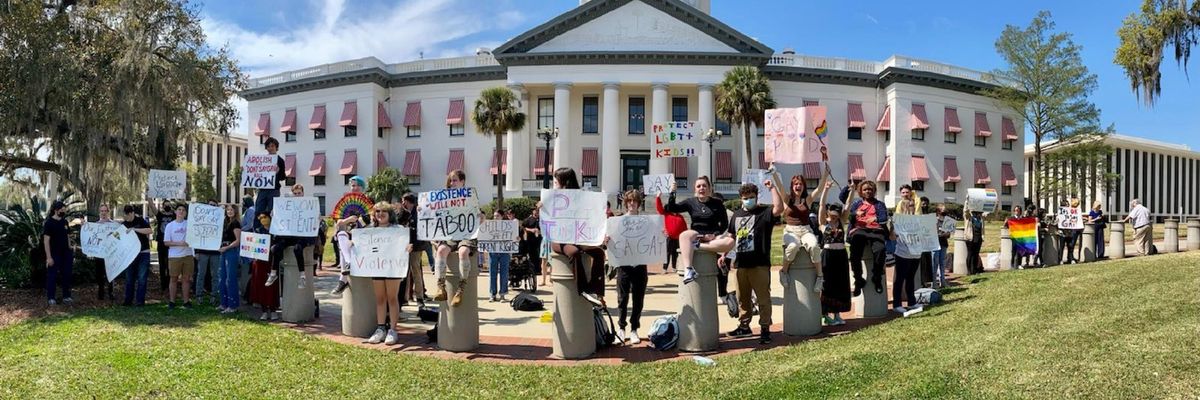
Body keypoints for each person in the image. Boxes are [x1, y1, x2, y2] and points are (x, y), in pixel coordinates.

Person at [726, 177, 784, 344]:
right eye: (745, 197)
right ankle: (744, 326)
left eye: (751, 196)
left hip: (759, 263)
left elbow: (779, 208)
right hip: (740, 264)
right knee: (742, 298)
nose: (748, 199)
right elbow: (731, 237)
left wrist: (772, 188)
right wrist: (724, 255)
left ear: (757, 197)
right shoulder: (736, 215)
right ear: (740, 198)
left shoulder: (764, 213)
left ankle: (765, 328)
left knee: (763, 298)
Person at [546, 168, 609, 306]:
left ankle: (596, 290)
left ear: (564, 183)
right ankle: (584, 289)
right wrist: (542, 206)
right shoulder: (553, 199)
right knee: (574, 252)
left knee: (598, 253)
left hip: (577, 238)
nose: (554, 185)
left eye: (556, 182)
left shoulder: (580, 198)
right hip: (559, 240)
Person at [663, 176, 736, 285]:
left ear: (709, 188)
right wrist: (673, 192)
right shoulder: (690, 202)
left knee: (730, 242)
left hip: (713, 236)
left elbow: (724, 224)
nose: (701, 188)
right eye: (699, 186)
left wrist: (715, 234)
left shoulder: (717, 203)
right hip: (696, 233)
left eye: (704, 186)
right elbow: (672, 208)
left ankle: (697, 245)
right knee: (684, 235)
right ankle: (689, 269)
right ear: (695, 189)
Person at [608, 189, 655, 345]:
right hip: (623, 264)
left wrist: (662, 233)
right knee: (622, 298)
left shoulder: (646, 222)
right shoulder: (618, 221)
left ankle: (634, 328)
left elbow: (654, 238)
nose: (632, 204)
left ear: (639, 203)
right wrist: (607, 239)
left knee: (638, 298)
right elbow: (611, 239)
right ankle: (621, 328)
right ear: (625, 203)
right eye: (629, 201)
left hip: (640, 264)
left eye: (634, 201)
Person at [431, 170, 478, 308]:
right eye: (450, 181)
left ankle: (460, 289)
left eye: (455, 180)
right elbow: (436, 213)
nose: (452, 183)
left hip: (466, 234)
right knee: (440, 251)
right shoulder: (444, 199)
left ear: (463, 181)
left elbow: (477, 212)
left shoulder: (471, 196)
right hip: (451, 233)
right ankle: (441, 287)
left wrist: (480, 216)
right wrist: (423, 211)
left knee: (463, 252)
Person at [361, 202, 405, 345]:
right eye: (377, 211)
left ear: (389, 213)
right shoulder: (370, 230)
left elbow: (405, 243)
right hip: (377, 267)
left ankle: (392, 330)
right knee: (380, 298)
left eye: (383, 211)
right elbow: (361, 243)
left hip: (393, 268)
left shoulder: (398, 229)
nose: (380, 214)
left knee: (392, 298)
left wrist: (408, 247)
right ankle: (380, 329)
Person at [839, 180, 890, 295]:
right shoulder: (857, 203)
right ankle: (858, 279)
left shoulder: (879, 204)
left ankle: (877, 277)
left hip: (876, 230)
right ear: (861, 191)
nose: (868, 191)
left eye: (870, 189)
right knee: (854, 253)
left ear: (874, 191)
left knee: (880, 250)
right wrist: (855, 213)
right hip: (859, 230)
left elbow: (883, 218)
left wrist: (875, 219)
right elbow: (843, 199)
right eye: (865, 189)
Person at [266, 184, 315, 290]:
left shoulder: (309, 205)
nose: (297, 195)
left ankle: (302, 276)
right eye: (295, 193)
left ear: (303, 193)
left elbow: (313, 219)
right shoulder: (286, 205)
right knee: (275, 248)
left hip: (303, 236)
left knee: (298, 249)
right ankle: (273, 273)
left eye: (299, 193)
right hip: (289, 236)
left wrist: (317, 217)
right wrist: (274, 215)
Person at [330, 176, 368, 295]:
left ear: (362, 187)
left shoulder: (368, 201)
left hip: (363, 236)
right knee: (341, 234)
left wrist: (355, 221)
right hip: (347, 235)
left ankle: (343, 279)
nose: (354, 188)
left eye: (357, 185)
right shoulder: (344, 200)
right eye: (352, 185)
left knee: (343, 247)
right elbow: (338, 221)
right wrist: (347, 220)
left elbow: (370, 220)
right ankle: (347, 263)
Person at [820, 200, 850, 325]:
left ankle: (837, 313)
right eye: (832, 213)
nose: (834, 215)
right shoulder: (823, 223)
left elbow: (847, 206)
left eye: (836, 213)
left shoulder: (841, 222)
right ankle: (825, 315)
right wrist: (825, 190)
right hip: (828, 255)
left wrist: (852, 191)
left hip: (841, 255)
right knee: (827, 284)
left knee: (841, 284)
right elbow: (821, 205)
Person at [891, 191, 921, 314]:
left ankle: (911, 302)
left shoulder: (918, 220)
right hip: (903, 253)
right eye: (910, 206)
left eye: (913, 206)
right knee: (899, 279)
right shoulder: (898, 220)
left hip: (916, 253)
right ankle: (897, 303)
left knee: (910, 278)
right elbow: (892, 237)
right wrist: (895, 228)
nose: (913, 208)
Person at [248, 214, 280, 320]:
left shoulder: (276, 230)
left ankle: (273, 309)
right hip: (260, 262)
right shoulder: (257, 231)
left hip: (272, 262)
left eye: (265, 217)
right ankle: (264, 311)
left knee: (272, 286)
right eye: (261, 218)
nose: (263, 220)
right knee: (261, 285)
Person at [162, 203, 194, 308]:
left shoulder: (190, 224)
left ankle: (186, 301)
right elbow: (166, 242)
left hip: (188, 255)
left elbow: (195, 238)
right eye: (179, 209)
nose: (181, 211)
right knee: (173, 278)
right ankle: (172, 301)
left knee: (186, 279)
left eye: (183, 210)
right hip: (174, 256)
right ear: (175, 212)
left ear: (185, 213)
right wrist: (180, 243)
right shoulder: (170, 226)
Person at [399, 193, 429, 306]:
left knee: (415, 271)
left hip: (416, 247)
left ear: (407, 201)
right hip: (404, 246)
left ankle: (420, 297)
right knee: (404, 273)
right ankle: (405, 297)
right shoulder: (404, 213)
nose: (402, 203)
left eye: (403, 201)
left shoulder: (418, 212)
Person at [43, 201, 74, 305]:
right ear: (56, 210)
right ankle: (51, 297)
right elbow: (46, 241)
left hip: (66, 254)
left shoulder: (65, 222)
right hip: (54, 254)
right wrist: (49, 257)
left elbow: (68, 236)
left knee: (67, 275)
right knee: (52, 276)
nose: (63, 211)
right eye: (62, 209)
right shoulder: (49, 223)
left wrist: (70, 247)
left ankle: (66, 296)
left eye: (64, 209)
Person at [121, 205, 153, 306]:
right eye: (125, 215)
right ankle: (128, 300)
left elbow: (149, 230)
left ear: (132, 213)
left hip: (143, 252)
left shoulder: (141, 220)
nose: (127, 217)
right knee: (129, 278)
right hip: (130, 255)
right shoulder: (124, 224)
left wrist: (135, 229)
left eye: (128, 215)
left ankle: (140, 301)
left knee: (142, 278)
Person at [254, 137, 287, 229]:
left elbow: (283, 177)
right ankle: (257, 230)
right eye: (268, 146)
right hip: (263, 189)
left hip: (274, 190)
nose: (270, 148)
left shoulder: (280, 160)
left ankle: (273, 231)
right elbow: (255, 173)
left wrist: (277, 172)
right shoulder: (261, 160)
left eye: (272, 146)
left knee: (273, 211)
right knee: (258, 210)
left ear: (276, 147)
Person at [194, 199, 222, 304]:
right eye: (210, 205)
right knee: (201, 274)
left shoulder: (220, 220)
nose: (212, 206)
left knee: (215, 275)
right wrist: (196, 251)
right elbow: (196, 235)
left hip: (215, 252)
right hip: (202, 251)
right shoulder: (201, 219)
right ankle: (199, 296)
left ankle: (214, 296)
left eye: (214, 205)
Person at [655, 191, 688, 274]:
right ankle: (664, 268)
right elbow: (659, 208)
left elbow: (684, 227)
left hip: (678, 238)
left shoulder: (680, 216)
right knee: (667, 253)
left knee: (675, 254)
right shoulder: (666, 214)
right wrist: (658, 197)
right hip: (669, 237)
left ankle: (674, 267)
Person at [217, 204, 242, 313]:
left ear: (235, 211)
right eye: (228, 210)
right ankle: (223, 303)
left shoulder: (236, 223)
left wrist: (227, 247)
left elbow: (238, 241)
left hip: (231, 251)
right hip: (223, 251)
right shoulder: (225, 222)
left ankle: (233, 306)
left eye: (232, 210)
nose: (229, 211)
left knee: (230, 279)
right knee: (222, 278)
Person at [92, 204, 116, 301]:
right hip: (99, 254)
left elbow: (117, 237)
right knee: (100, 274)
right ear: (99, 212)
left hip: (110, 253)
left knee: (110, 274)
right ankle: (101, 293)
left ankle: (111, 293)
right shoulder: (95, 225)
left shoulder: (113, 225)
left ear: (108, 212)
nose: (103, 213)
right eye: (102, 211)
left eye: (105, 211)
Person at [487, 210, 512, 303]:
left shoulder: (508, 226)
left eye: (497, 216)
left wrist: (516, 239)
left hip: (504, 252)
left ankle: (502, 294)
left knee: (504, 273)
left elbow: (513, 237)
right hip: (493, 251)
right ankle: (492, 294)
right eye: (494, 216)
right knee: (492, 273)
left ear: (502, 217)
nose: (495, 218)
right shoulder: (489, 226)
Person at [520, 207, 547, 287]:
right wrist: (531, 230)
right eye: (535, 212)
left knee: (539, 255)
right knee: (532, 255)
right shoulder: (528, 219)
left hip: (540, 240)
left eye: (538, 212)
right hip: (531, 240)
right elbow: (523, 227)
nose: (537, 213)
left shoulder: (541, 219)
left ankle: (539, 270)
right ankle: (533, 269)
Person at [154, 202, 175, 292]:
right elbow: (151, 206)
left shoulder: (174, 215)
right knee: (162, 265)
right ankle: (163, 285)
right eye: (166, 205)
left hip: (171, 244)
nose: (167, 206)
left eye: (168, 204)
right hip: (161, 244)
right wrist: (149, 195)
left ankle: (170, 284)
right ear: (163, 206)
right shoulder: (160, 215)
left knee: (170, 265)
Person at [932, 204, 952, 287]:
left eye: (945, 211)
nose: (944, 212)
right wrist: (940, 234)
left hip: (943, 243)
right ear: (938, 212)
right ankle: (934, 282)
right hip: (935, 244)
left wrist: (946, 233)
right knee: (935, 263)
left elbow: (948, 234)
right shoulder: (933, 220)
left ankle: (943, 281)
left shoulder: (947, 221)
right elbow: (932, 233)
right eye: (942, 211)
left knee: (942, 263)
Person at [1059, 198, 1083, 264]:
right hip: (1062, 232)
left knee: (1070, 246)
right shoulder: (1060, 213)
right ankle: (1060, 259)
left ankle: (1071, 258)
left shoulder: (1071, 212)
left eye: (1068, 205)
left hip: (1069, 231)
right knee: (1061, 246)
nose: (1068, 206)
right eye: (1067, 205)